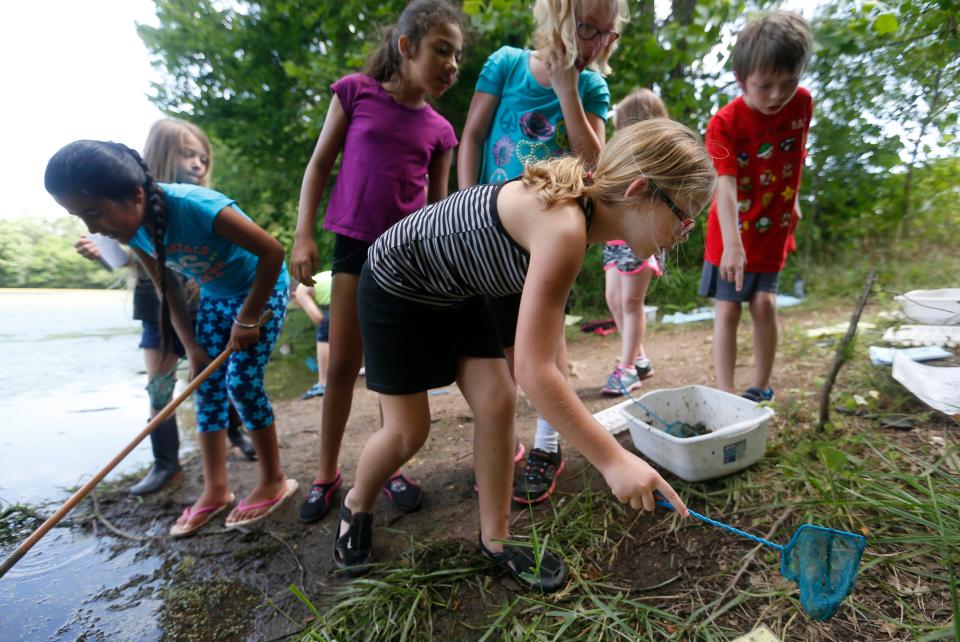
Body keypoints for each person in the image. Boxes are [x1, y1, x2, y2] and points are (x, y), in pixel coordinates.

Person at [337, 119, 712, 590]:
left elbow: (532, 355)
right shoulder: (564, 228)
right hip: (399, 285)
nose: (684, 232)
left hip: (466, 285)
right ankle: (356, 504)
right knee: (407, 431)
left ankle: (495, 540)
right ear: (639, 190)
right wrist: (614, 459)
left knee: (497, 400)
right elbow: (536, 371)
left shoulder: (577, 221)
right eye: (682, 215)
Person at [45, 140, 298, 537]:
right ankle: (216, 490)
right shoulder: (135, 230)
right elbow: (169, 287)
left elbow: (272, 252)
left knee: (242, 384)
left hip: (261, 290)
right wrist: (192, 348)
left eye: (94, 213)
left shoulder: (196, 206)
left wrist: (248, 318)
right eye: (82, 218)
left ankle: (273, 480)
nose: (94, 229)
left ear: (136, 194)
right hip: (216, 297)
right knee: (205, 387)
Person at [289, 0, 463, 524]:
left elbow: (436, 208)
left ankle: (391, 466)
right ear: (406, 47)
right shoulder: (355, 93)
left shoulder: (440, 131)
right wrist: (303, 234)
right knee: (343, 363)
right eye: (442, 50)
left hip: (406, 258)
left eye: (456, 56)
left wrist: (441, 270)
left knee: (392, 371)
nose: (451, 65)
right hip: (354, 246)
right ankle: (326, 474)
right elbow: (319, 165)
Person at [458, 0, 626, 506]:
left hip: (553, 233)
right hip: (492, 229)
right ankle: (509, 442)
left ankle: (548, 444)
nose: (597, 43)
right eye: (588, 29)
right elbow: (472, 137)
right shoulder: (506, 64)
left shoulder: (591, 86)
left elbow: (595, 165)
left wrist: (567, 92)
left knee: (543, 339)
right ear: (555, 18)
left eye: (609, 35)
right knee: (505, 345)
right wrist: (467, 203)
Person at [74, 118, 257, 499]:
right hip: (154, 306)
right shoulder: (125, 206)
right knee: (159, 383)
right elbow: (131, 260)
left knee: (216, 372)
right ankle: (165, 462)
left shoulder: (196, 204)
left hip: (202, 299)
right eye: (187, 154)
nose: (197, 163)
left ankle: (236, 433)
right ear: (160, 155)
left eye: (202, 157)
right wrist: (105, 256)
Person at [700, 11, 813, 402]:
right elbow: (725, 184)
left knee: (764, 304)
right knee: (728, 310)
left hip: (773, 225)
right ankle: (725, 393)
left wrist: (794, 200)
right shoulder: (723, 124)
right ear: (741, 80)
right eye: (764, 86)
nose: (777, 95)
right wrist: (733, 243)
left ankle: (761, 387)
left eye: (789, 82)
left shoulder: (802, 104)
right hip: (731, 230)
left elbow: (794, 155)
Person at [599, 89, 668, 396]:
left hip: (641, 237)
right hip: (615, 236)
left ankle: (627, 368)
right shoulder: (618, 155)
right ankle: (639, 358)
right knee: (613, 298)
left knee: (630, 302)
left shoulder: (659, 157)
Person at [295, 270, 332, 400]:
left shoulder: (300, 290)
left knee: (323, 332)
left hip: (337, 296)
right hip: (353, 286)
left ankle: (323, 383)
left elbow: (318, 318)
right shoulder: (316, 280)